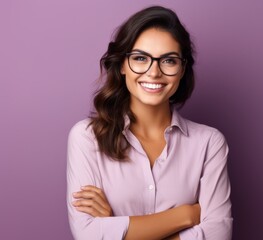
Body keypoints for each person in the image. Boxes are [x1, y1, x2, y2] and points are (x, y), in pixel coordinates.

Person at [67, 5, 232, 240]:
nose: (154, 73)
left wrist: (116, 226)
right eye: (140, 58)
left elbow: (219, 235)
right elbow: (88, 235)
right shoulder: (86, 138)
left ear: (183, 68)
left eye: (169, 61)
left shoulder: (209, 143)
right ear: (122, 65)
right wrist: (185, 215)